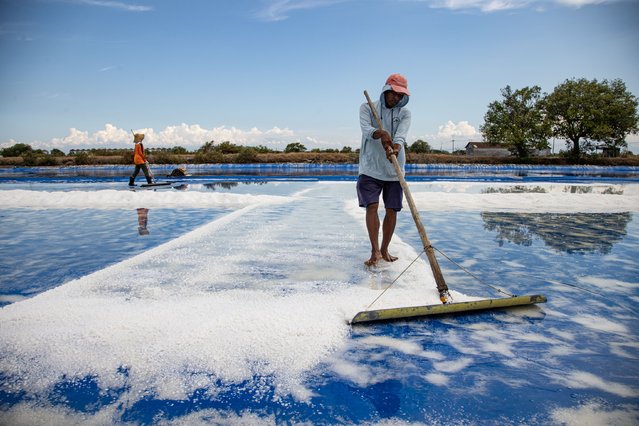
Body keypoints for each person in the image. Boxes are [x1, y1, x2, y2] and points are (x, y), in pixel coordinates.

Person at [357, 73, 411, 266]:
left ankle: (385, 249)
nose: (395, 98)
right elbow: (366, 130)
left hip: (394, 168)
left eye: (400, 95)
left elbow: (401, 136)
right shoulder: (368, 108)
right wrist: (380, 133)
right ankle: (375, 252)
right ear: (386, 90)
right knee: (372, 206)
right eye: (393, 93)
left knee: (392, 209)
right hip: (370, 167)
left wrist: (395, 147)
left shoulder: (405, 113)